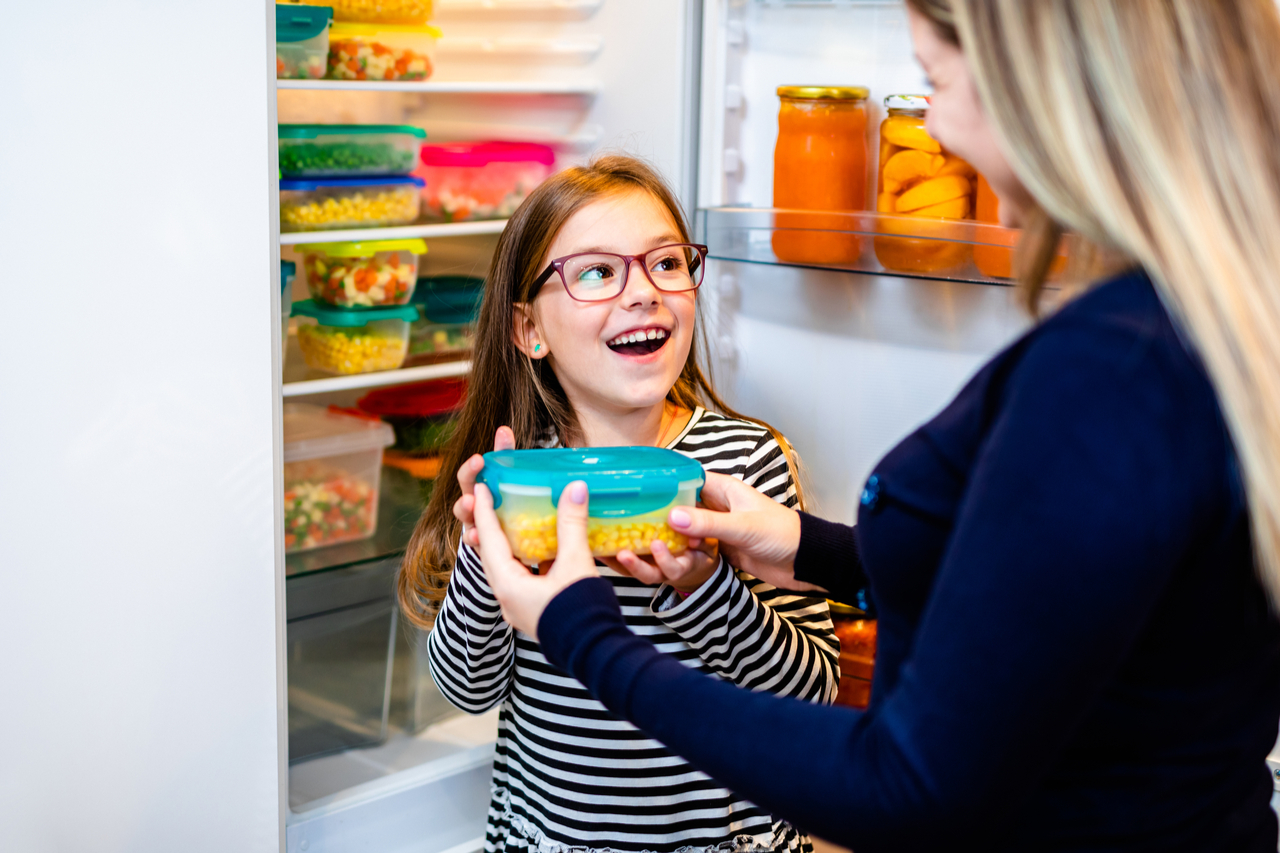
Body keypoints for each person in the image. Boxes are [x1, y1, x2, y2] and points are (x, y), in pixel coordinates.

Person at [463, 1, 1280, 850]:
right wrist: (810, 548)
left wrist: (583, 629)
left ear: (1038, 90)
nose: (938, 132)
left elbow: (908, 784)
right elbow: (1038, 594)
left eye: (937, 82)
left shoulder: (1114, 369)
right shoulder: (1187, 333)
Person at [398, 156, 839, 853]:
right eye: (599, 272)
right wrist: (488, 556)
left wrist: (706, 587)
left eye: (666, 263)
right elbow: (467, 687)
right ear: (529, 329)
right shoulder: (519, 479)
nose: (644, 293)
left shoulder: (743, 465)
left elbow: (812, 692)